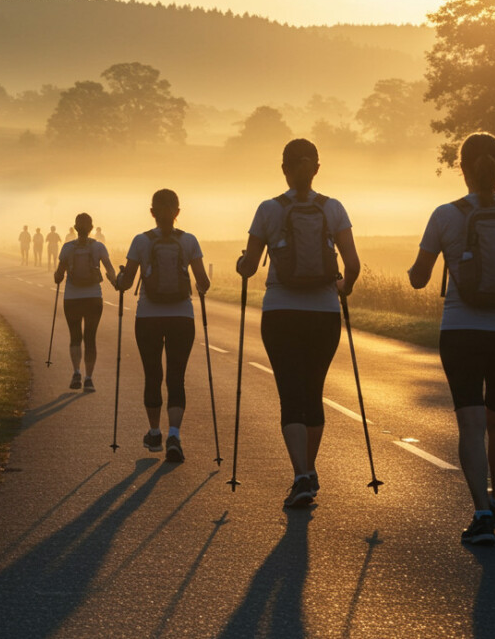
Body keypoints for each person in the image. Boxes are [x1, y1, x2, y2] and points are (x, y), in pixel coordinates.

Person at [407, 132, 495, 546]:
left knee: (470, 423)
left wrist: (415, 272)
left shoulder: (444, 215)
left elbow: (419, 279)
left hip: (461, 331)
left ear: (462, 168)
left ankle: (481, 514)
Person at [236, 138, 360, 509]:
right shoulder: (333, 208)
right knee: (313, 391)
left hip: (281, 311)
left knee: (289, 393)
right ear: (317, 168)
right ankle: (310, 468)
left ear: (284, 169)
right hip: (324, 312)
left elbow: (249, 266)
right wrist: (343, 288)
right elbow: (352, 264)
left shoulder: (268, 209)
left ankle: (301, 475)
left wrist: (242, 263)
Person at [117, 189, 211, 463]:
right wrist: (201, 285)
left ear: (152, 212)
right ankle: (174, 435)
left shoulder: (140, 241)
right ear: (178, 212)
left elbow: (125, 284)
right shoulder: (189, 241)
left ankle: (154, 432)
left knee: (153, 374)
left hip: (148, 317)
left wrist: (119, 278)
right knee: (176, 376)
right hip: (182, 317)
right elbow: (203, 283)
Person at [54, 213, 118, 392]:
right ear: (91, 228)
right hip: (93, 298)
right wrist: (117, 284)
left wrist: (59, 276)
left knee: (75, 336)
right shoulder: (99, 247)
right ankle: (89, 379)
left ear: (75, 228)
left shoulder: (67, 248)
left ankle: (76, 373)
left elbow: (58, 276)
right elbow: (110, 269)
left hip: (72, 298)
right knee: (90, 338)